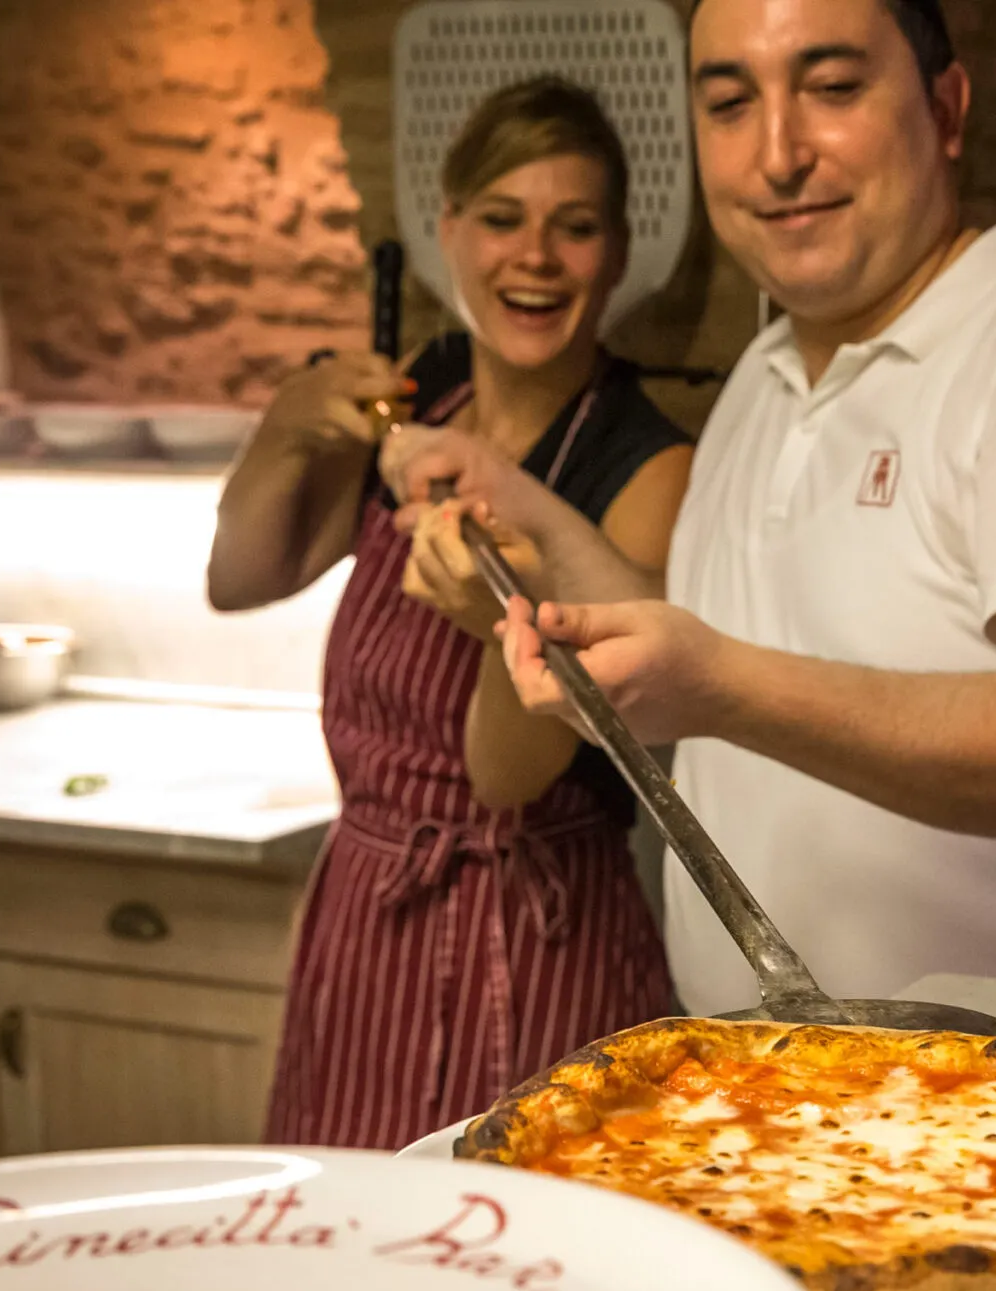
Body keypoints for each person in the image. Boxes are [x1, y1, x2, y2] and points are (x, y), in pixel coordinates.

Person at [392, 0, 996, 1019]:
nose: (777, 155)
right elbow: (714, 638)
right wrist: (538, 560)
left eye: (831, 89)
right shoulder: (766, 368)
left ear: (946, 109)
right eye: (730, 104)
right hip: (755, 1094)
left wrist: (720, 689)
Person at [205, 77, 691, 1148]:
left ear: (615, 255)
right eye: (502, 220)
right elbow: (239, 576)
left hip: (535, 935)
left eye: (573, 228)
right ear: (448, 233)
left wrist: (492, 615)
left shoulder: (643, 462)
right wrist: (292, 424)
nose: (535, 257)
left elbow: (505, 774)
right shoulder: (417, 395)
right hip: (363, 922)